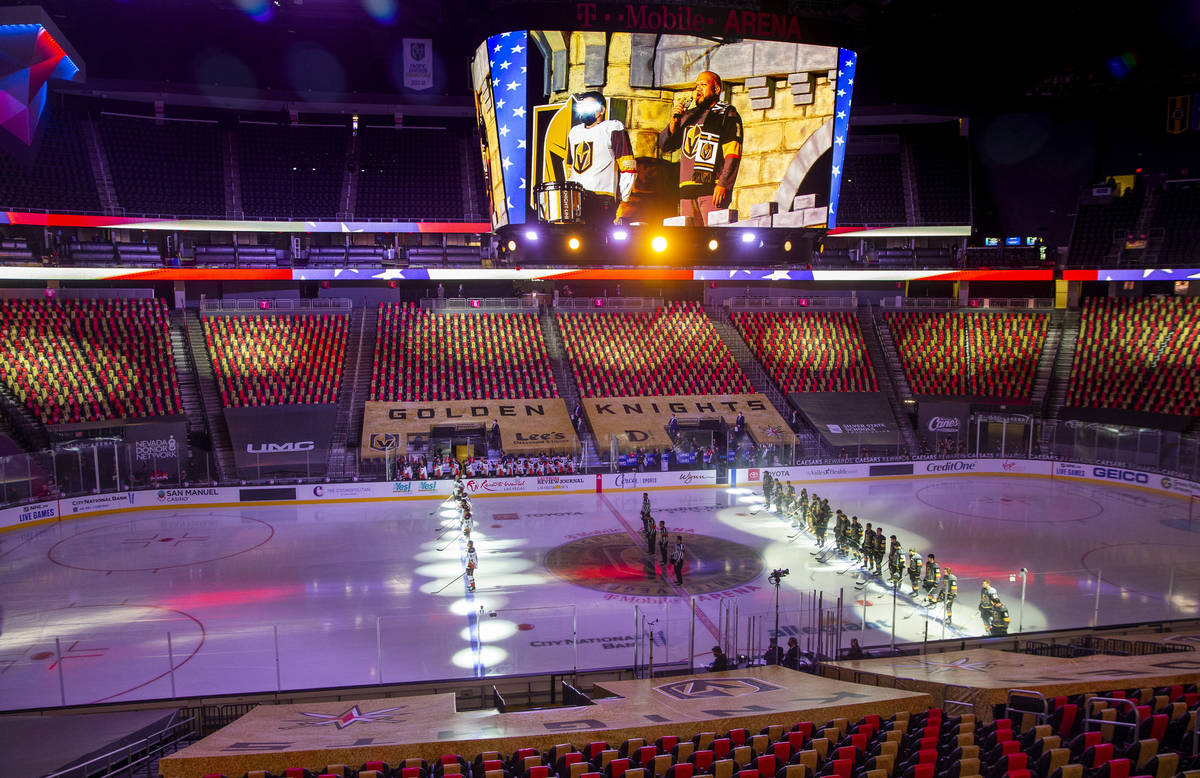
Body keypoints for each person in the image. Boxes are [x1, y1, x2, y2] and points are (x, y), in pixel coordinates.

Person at [657, 71, 743, 225]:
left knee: (714, 236)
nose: (698, 89)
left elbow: (733, 153)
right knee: (689, 241)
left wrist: (724, 183)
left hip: (712, 190)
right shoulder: (687, 117)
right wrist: (674, 121)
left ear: (716, 89)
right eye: (696, 86)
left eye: (703, 85)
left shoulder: (727, 113)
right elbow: (665, 146)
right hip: (686, 191)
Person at [566, 91, 636, 226]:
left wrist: (625, 200)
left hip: (602, 196)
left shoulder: (612, 127)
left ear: (602, 110)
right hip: (576, 197)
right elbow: (570, 168)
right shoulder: (574, 132)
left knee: (598, 237)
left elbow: (627, 166)